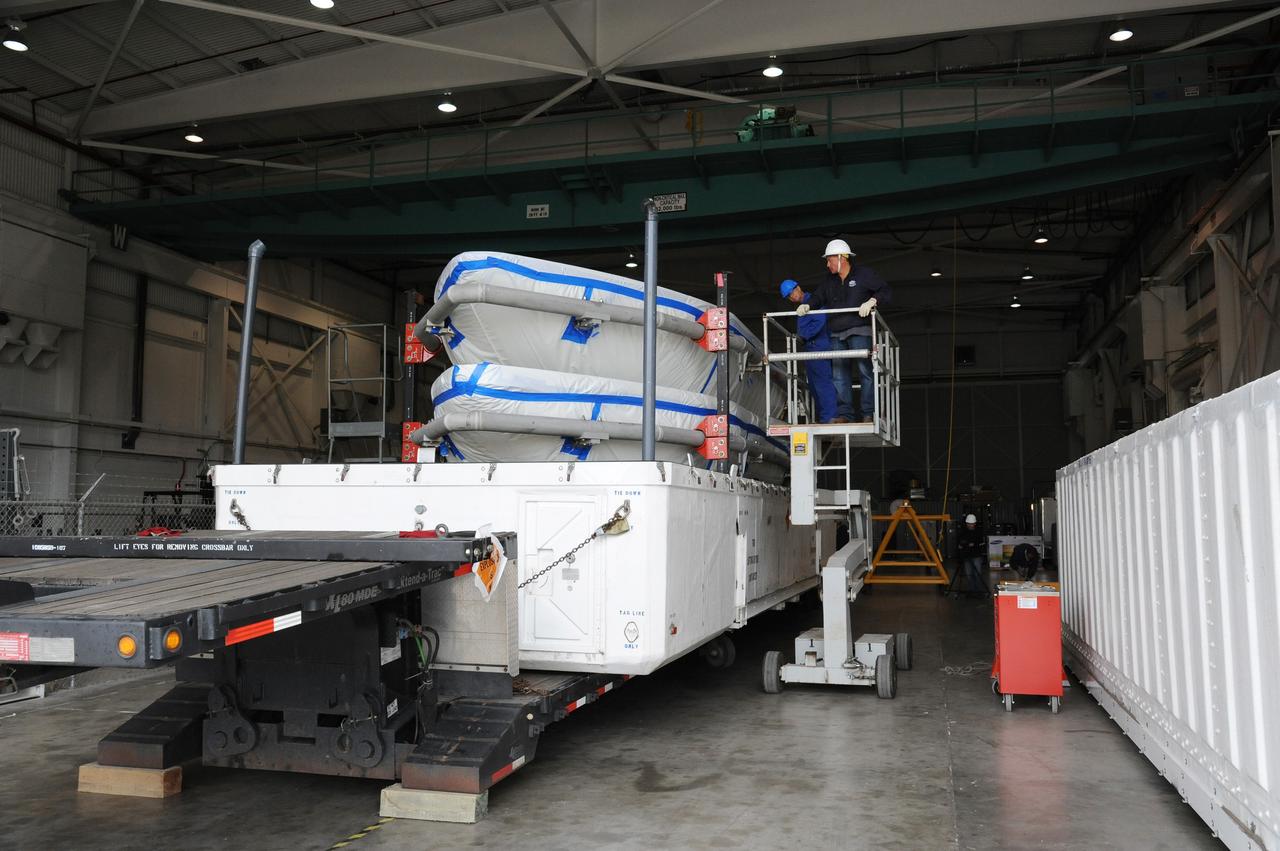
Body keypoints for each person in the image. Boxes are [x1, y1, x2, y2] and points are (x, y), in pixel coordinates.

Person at [795, 239, 891, 423]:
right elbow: (818, 297)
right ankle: (845, 415)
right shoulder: (828, 282)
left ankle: (868, 414)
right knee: (839, 375)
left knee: (866, 372)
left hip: (860, 329)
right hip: (837, 333)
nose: (827, 264)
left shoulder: (864, 275)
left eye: (829, 259)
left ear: (841, 258)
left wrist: (873, 301)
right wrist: (807, 306)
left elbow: (884, 290)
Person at [779, 279, 837, 423]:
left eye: (791, 292)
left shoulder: (813, 301)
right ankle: (825, 418)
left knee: (823, 383)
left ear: (798, 287)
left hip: (819, 346)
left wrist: (803, 335)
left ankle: (830, 417)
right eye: (788, 296)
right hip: (810, 349)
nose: (791, 296)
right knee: (814, 386)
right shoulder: (802, 307)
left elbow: (820, 321)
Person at [955, 513, 989, 598]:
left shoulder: (979, 532)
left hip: (976, 556)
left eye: (972, 524)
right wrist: (964, 545)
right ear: (966, 524)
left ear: (975, 523)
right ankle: (971, 591)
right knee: (969, 574)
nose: (970, 525)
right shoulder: (963, 532)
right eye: (969, 524)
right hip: (966, 556)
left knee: (977, 574)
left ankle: (979, 592)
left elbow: (980, 543)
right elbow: (960, 542)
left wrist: (972, 544)